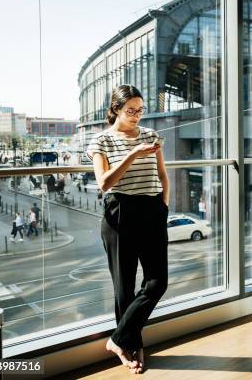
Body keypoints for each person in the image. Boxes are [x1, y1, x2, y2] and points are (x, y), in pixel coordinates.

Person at [87, 85, 168, 374]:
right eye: (130, 110)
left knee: (158, 282)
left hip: (152, 209)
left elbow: (161, 174)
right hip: (120, 212)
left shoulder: (151, 135)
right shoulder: (102, 141)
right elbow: (104, 182)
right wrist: (133, 154)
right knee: (124, 287)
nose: (136, 115)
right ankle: (133, 347)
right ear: (116, 109)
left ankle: (118, 339)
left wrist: (163, 204)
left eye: (140, 110)